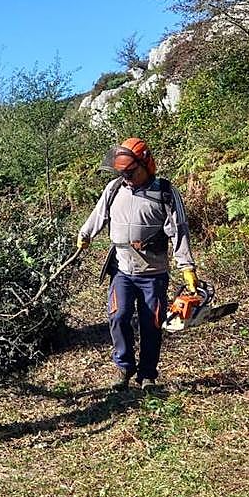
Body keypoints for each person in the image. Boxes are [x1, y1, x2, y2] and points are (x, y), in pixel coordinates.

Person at [76, 137, 199, 391]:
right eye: (122, 173)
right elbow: (98, 215)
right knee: (118, 316)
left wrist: (187, 267)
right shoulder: (114, 189)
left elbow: (180, 231)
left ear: (145, 164)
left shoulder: (165, 192)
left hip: (152, 273)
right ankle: (124, 367)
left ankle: (147, 375)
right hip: (121, 269)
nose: (127, 178)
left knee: (151, 323)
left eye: (130, 172)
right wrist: (85, 234)